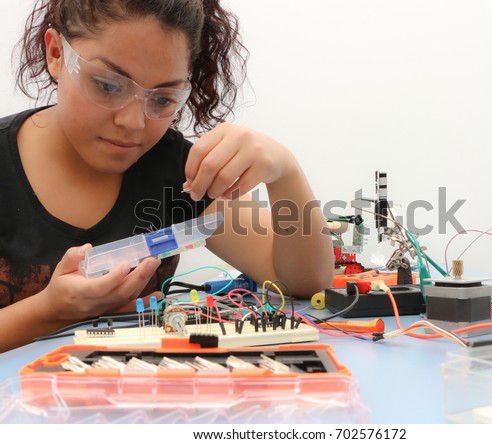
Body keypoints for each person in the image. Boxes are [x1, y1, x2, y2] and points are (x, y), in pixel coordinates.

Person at [0, 0, 333, 353]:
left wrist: (285, 172)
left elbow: (304, 282)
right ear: (56, 54)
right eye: (108, 86)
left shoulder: (177, 171)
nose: (133, 122)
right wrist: (50, 312)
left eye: (162, 99)